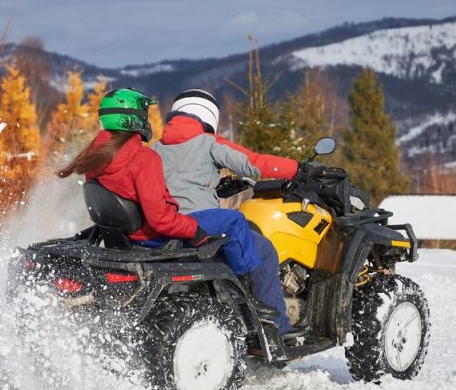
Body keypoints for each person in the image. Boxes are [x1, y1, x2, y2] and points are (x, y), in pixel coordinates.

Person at [57, 88, 295, 335]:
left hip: (128, 233)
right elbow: (161, 218)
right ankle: (249, 293)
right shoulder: (144, 157)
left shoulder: (98, 156)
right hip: (158, 234)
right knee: (236, 220)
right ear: (135, 118)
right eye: (144, 113)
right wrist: (193, 230)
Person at [152, 88, 304, 337]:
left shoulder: (157, 147)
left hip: (168, 224)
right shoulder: (209, 142)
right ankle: (275, 324)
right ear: (209, 116)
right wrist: (298, 168)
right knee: (264, 250)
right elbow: (254, 164)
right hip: (203, 224)